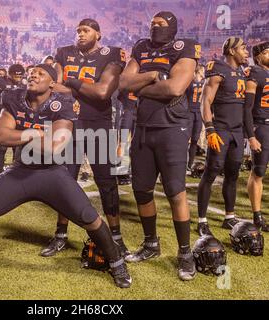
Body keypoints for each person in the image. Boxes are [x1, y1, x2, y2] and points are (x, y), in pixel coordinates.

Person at [0, 64, 132, 288]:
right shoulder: (14, 97)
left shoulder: (62, 102)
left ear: (52, 83)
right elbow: (0, 135)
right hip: (20, 171)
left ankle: (116, 261)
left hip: (51, 173)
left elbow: (54, 147)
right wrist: (37, 132)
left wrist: (22, 134)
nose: (33, 74)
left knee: (90, 219)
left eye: (41, 73)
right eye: (32, 72)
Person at [119, 11, 200, 280]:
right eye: (152, 23)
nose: (154, 27)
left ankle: (185, 253)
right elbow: (122, 82)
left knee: (175, 191)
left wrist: (138, 88)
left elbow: (175, 88)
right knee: (141, 190)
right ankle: (151, 243)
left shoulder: (184, 47)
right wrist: (153, 75)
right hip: (143, 127)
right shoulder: (141, 47)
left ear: (172, 27)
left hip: (172, 127)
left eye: (160, 24)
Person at [40, 18, 130, 258]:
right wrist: (79, 88)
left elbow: (103, 92)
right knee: (64, 181)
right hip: (68, 124)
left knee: (107, 183)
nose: (80, 34)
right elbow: (55, 86)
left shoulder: (112, 54)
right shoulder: (64, 53)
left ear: (98, 34)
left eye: (86, 30)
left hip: (98, 124)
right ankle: (60, 234)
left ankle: (116, 237)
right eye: (78, 30)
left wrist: (71, 84)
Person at [197, 37, 249, 236]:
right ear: (232, 51)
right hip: (221, 130)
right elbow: (206, 101)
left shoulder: (242, 72)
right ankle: (202, 220)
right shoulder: (218, 69)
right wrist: (209, 129)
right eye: (243, 48)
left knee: (233, 174)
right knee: (211, 172)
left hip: (237, 131)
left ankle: (229, 216)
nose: (246, 51)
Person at [245, 41, 269, 232]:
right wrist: (251, 135)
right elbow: (248, 107)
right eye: (268, 52)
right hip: (262, 125)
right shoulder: (255, 73)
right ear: (258, 56)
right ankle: (257, 215)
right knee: (259, 171)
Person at [0, 64, 26, 174]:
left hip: (19, 118)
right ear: (10, 75)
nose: (18, 78)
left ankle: (15, 171)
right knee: (2, 148)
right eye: (16, 76)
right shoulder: (2, 81)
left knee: (17, 147)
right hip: (6, 118)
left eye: (20, 76)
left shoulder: (25, 84)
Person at [186, 64, 205, 170]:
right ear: (197, 71)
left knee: (194, 140)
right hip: (189, 112)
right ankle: (183, 162)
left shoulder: (204, 83)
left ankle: (190, 164)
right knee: (185, 139)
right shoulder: (189, 82)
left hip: (198, 113)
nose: (204, 72)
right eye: (202, 70)